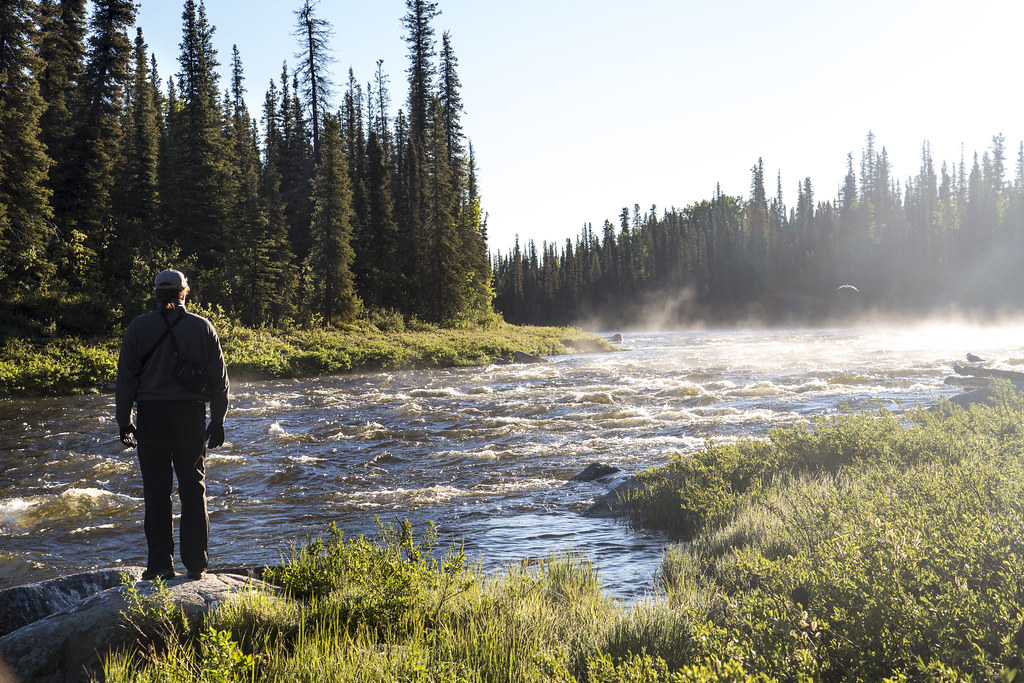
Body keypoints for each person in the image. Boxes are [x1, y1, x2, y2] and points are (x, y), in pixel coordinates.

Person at [115, 269, 230, 581]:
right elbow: (219, 380)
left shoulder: (138, 327)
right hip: (191, 415)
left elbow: (126, 380)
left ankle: (160, 566)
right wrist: (218, 420)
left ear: (155, 293)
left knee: (156, 491)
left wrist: (124, 421)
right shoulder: (202, 326)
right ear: (184, 292)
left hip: (151, 416)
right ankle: (196, 564)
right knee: (193, 487)